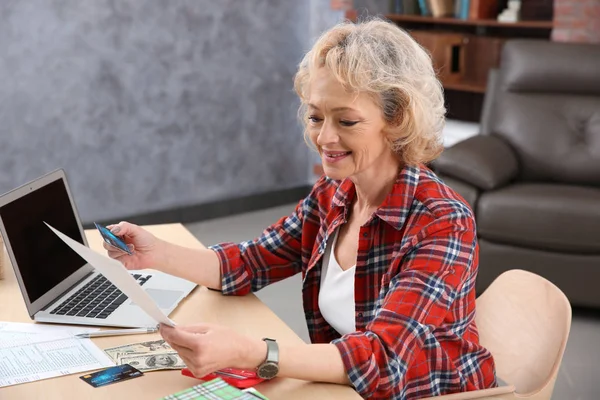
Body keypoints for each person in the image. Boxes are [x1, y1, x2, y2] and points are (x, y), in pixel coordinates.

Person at [104, 18, 497, 399]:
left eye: (346, 120)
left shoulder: (442, 219)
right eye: (315, 116)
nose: (324, 137)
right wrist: (155, 254)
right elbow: (250, 263)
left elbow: (382, 359)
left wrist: (252, 353)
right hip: (348, 388)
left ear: (396, 121)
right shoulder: (334, 193)